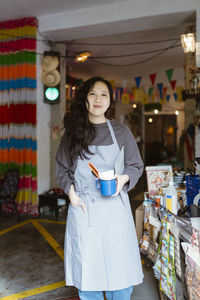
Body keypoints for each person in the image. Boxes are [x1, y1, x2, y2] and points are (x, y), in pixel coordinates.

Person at [56, 77, 144, 300]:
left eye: (104, 94)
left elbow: (135, 165)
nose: (98, 99)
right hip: (84, 208)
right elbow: (62, 169)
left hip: (115, 208)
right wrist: (72, 194)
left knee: (119, 270)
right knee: (88, 271)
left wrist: (123, 179)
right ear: (85, 98)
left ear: (110, 101)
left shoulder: (121, 132)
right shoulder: (73, 134)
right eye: (92, 94)